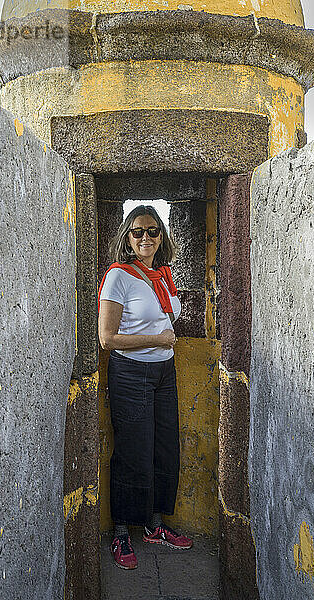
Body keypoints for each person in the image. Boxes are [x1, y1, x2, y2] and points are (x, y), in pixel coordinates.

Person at [98, 205, 193, 570]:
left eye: (153, 231)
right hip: (131, 374)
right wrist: (158, 338)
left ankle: (155, 524)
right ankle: (121, 531)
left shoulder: (163, 275)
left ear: (162, 236)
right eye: (137, 232)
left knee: (165, 448)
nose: (145, 238)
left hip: (163, 373)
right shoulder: (118, 277)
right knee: (132, 451)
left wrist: (162, 343)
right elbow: (108, 339)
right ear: (127, 237)